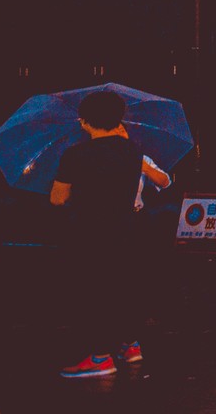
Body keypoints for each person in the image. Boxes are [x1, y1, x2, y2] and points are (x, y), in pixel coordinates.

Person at [50, 90, 172, 378]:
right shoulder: (133, 153)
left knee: (93, 292)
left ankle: (100, 356)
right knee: (123, 287)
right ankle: (130, 346)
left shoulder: (76, 154)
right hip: (126, 229)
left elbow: (58, 198)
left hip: (90, 232)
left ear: (84, 122)